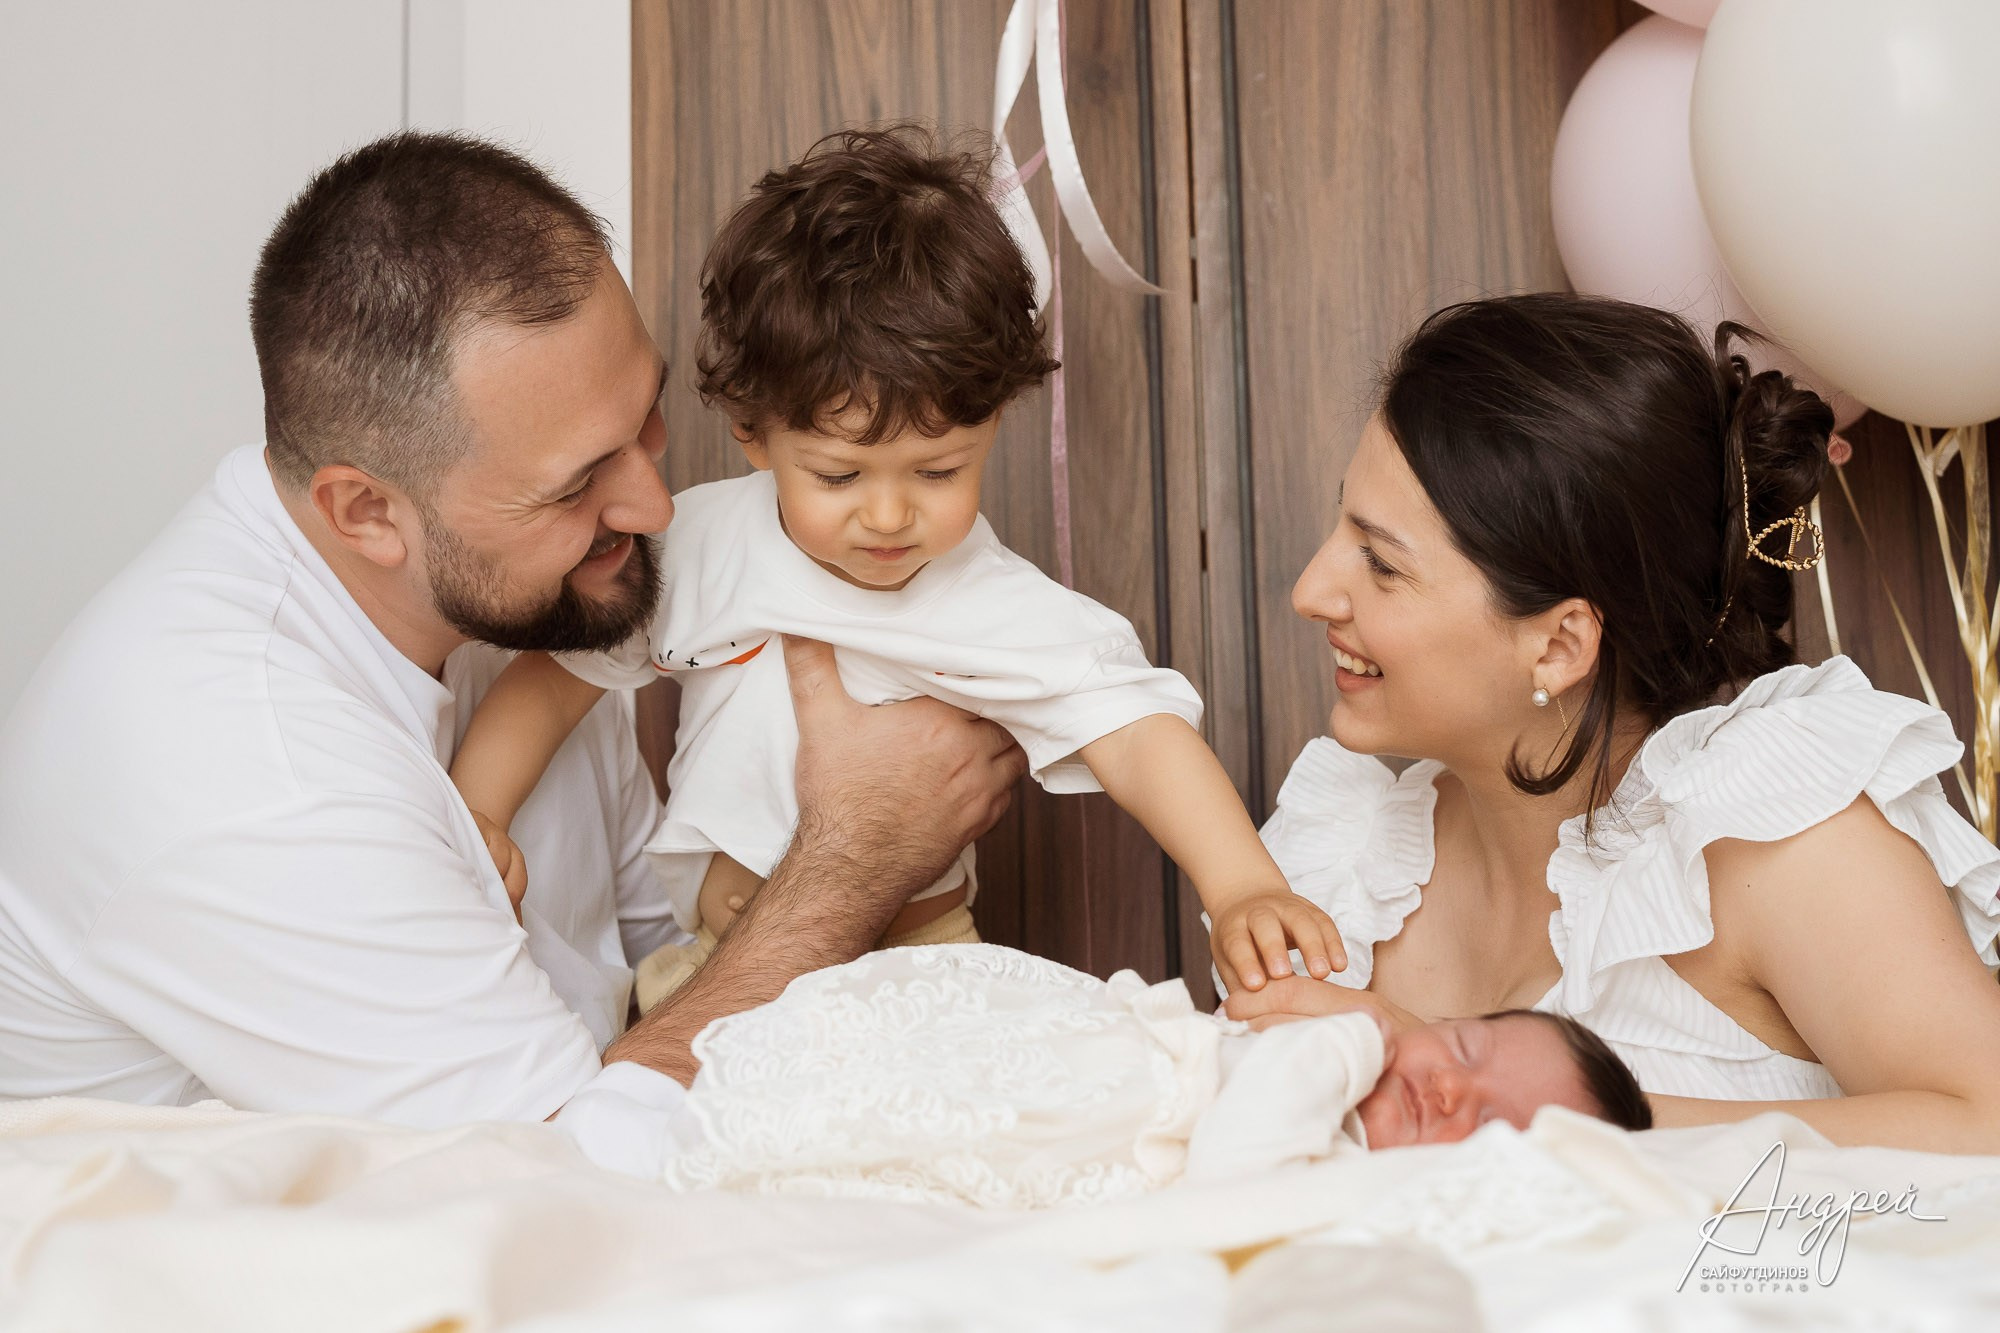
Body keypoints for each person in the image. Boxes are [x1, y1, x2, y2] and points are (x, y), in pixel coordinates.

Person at [0, 131, 1024, 1179]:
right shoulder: (249, 770)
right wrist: (852, 856)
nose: (653, 505)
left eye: (649, 419)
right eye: (577, 484)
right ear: (367, 512)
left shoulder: (533, 608)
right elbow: (560, 1190)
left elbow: (656, 964)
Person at [447, 125, 1344, 1006]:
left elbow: (1141, 735)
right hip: (722, 963)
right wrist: (475, 812)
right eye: (838, 475)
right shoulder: (696, 549)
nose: (887, 515)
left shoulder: (995, 603)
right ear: (754, 433)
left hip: (924, 969)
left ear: (992, 424)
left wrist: (1243, 887)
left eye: (939, 471)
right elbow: (555, 679)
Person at [1219, 294, 2000, 1153]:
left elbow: (1985, 1125)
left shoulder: (1772, 844)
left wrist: (1519, 1107)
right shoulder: (1342, 864)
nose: (1310, 590)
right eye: (1343, 527)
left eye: (1381, 563)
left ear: (1558, 645)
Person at [654, 943, 1650, 1207]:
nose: (1446, 1092)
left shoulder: (1335, 1170)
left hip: (1097, 1143)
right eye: (1466, 1052)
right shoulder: (1352, 1060)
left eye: (1484, 1129)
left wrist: (1349, 1035)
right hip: (1082, 1065)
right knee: (884, 1073)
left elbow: (1240, 1170)